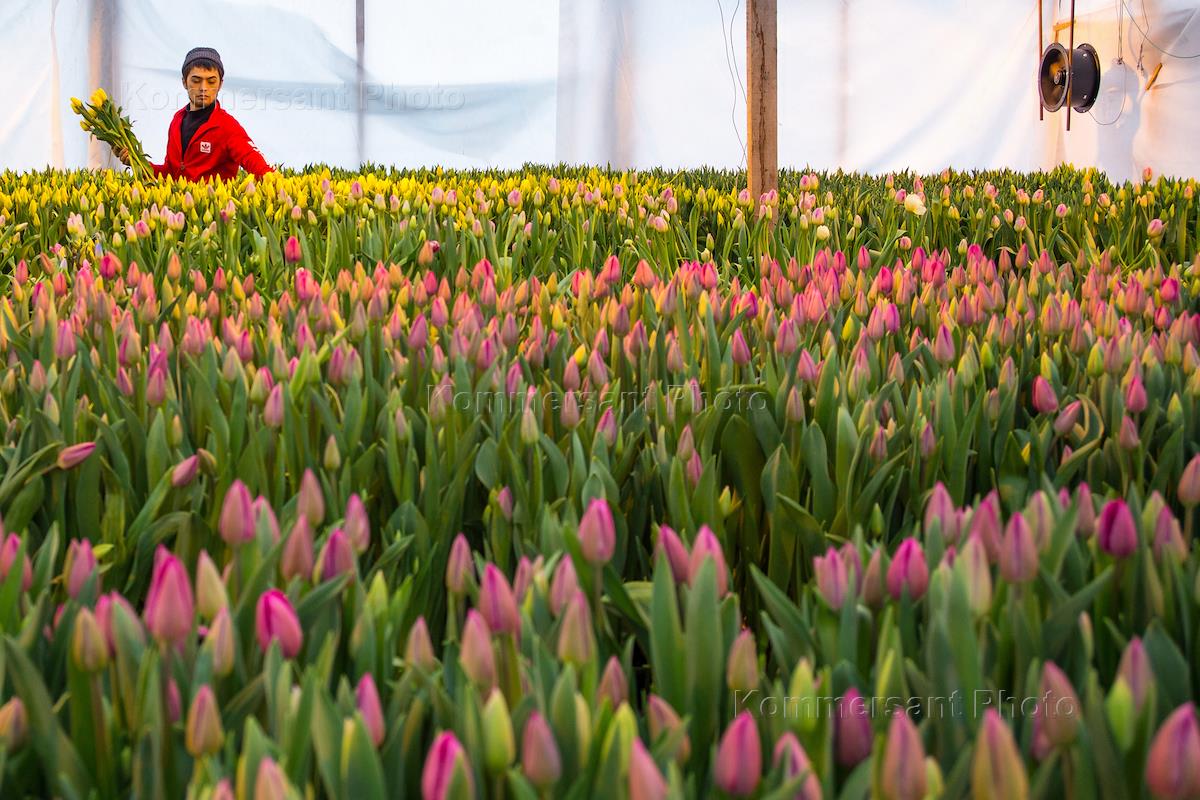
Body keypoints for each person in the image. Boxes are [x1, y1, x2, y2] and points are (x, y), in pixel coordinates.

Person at [113, 47, 273, 181]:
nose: (203, 88)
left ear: (220, 84)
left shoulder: (227, 126)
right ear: (184, 82)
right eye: (196, 81)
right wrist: (136, 162)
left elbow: (255, 163)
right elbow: (171, 173)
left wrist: (276, 185)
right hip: (176, 214)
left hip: (214, 215)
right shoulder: (177, 120)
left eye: (211, 81)